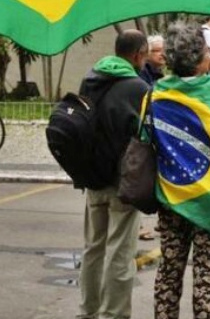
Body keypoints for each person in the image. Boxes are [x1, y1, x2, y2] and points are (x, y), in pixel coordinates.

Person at [150, 23, 210, 319]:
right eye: (207, 51)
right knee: (206, 272)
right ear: (199, 58)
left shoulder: (156, 94)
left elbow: (145, 138)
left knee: (169, 269)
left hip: (172, 196)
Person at [78, 30, 150, 319]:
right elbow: (146, 133)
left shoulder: (91, 79)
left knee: (93, 248)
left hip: (92, 177)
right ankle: (114, 313)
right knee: (120, 250)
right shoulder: (138, 87)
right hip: (124, 180)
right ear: (137, 55)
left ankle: (88, 311)